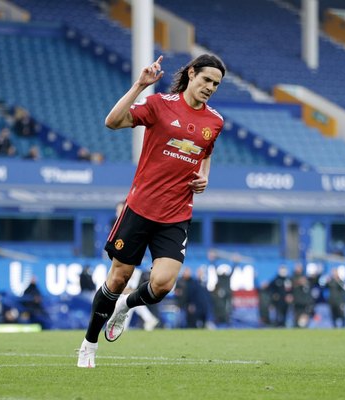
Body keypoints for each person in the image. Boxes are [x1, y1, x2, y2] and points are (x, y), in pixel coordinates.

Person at [77, 53, 226, 368]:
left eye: (216, 83)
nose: (210, 87)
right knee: (118, 278)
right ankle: (89, 344)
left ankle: (127, 307)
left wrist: (205, 176)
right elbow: (112, 121)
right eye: (206, 79)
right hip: (140, 208)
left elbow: (205, 151)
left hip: (177, 214)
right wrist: (139, 85)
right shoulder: (160, 104)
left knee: (162, 284)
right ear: (191, 74)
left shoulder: (215, 121)